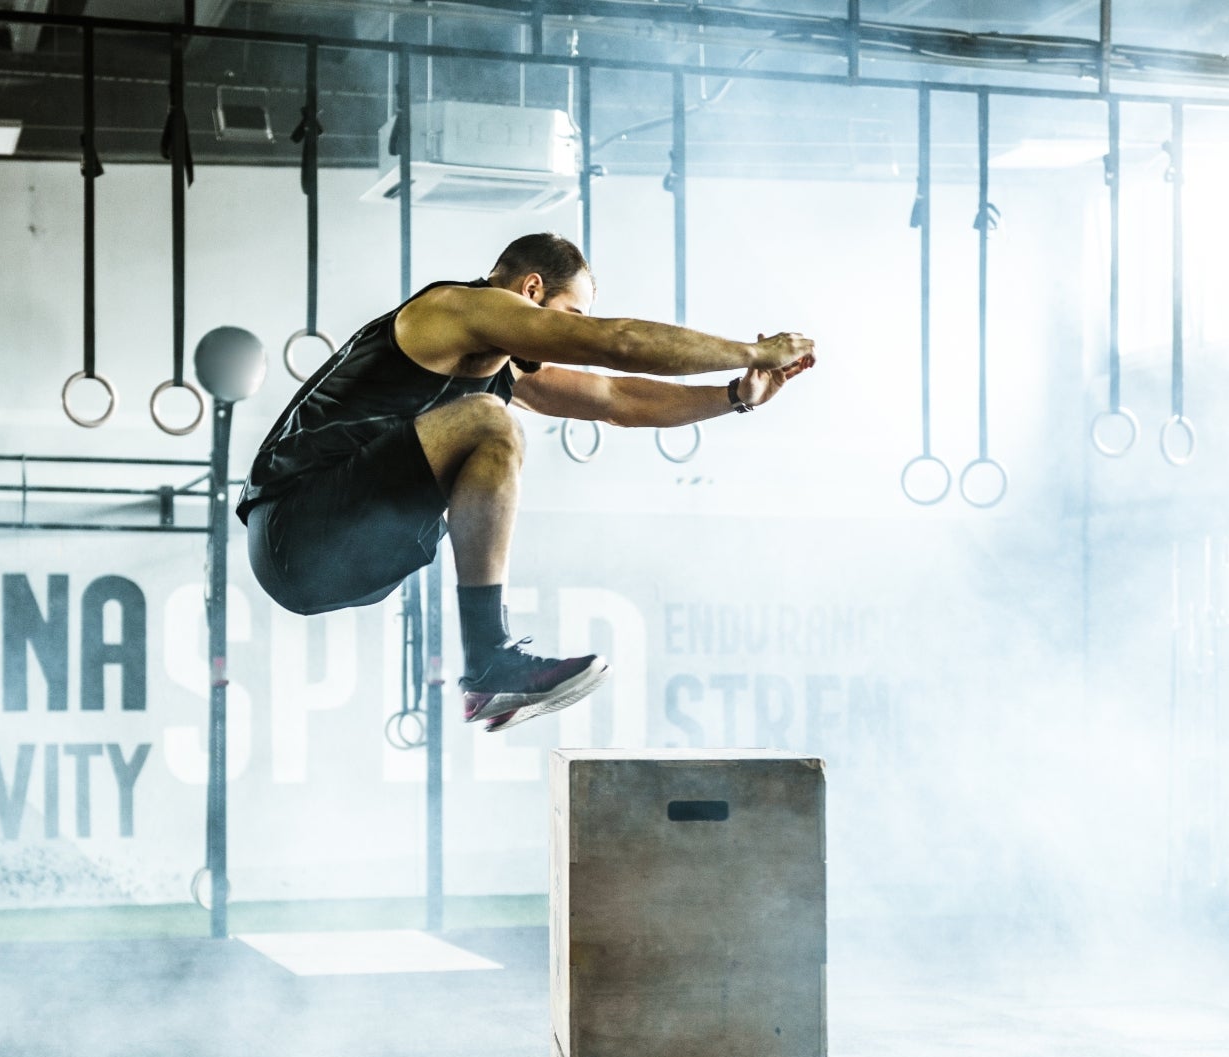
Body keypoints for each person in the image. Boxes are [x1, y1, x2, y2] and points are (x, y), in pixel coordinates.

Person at [238, 232, 815, 732]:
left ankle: (490, 665)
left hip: (348, 561)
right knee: (492, 423)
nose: (570, 336)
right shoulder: (455, 310)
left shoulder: (504, 366)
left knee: (493, 421)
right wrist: (752, 349)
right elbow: (615, 346)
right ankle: (490, 660)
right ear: (531, 291)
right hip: (296, 528)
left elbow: (616, 398)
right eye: (570, 318)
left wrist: (736, 396)